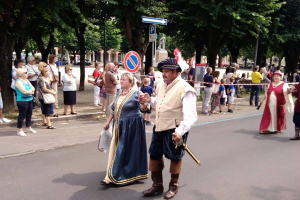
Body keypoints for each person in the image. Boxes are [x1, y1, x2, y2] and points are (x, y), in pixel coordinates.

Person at [140, 58, 197, 199]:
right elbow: (160, 103)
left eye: (166, 71)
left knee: (175, 157)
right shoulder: (160, 85)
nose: (163, 74)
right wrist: (149, 101)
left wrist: (180, 132)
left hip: (174, 128)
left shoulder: (185, 88)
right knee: (154, 155)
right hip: (159, 126)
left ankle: (173, 186)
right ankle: (157, 185)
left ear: (175, 72)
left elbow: (191, 115)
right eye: (162, 71)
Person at [100, 72, 148, 186]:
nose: (121, 81)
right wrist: (108, 122)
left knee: (127, 150)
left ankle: (112, 176)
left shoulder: (137, 93)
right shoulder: (119, 93)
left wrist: (143, 104)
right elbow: (113, 108)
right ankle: (113, 174)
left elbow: (144, 108)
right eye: (121, 79)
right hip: (119, 126)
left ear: (131, 83)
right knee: (118, 149)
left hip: (133, 126)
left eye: (124, 80)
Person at [15, 68, 36, 136]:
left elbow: (33, 88)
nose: (27, 74)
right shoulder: (18, 81)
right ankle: (20, 129)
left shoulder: (26, 80)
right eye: (26, 72)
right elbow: (23, 91)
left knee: (29, 113)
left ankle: (28, 126)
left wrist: (30, 91)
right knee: (22, 115)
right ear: (21, 74)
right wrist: (30, 91)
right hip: (22, 100)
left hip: (30, 99)